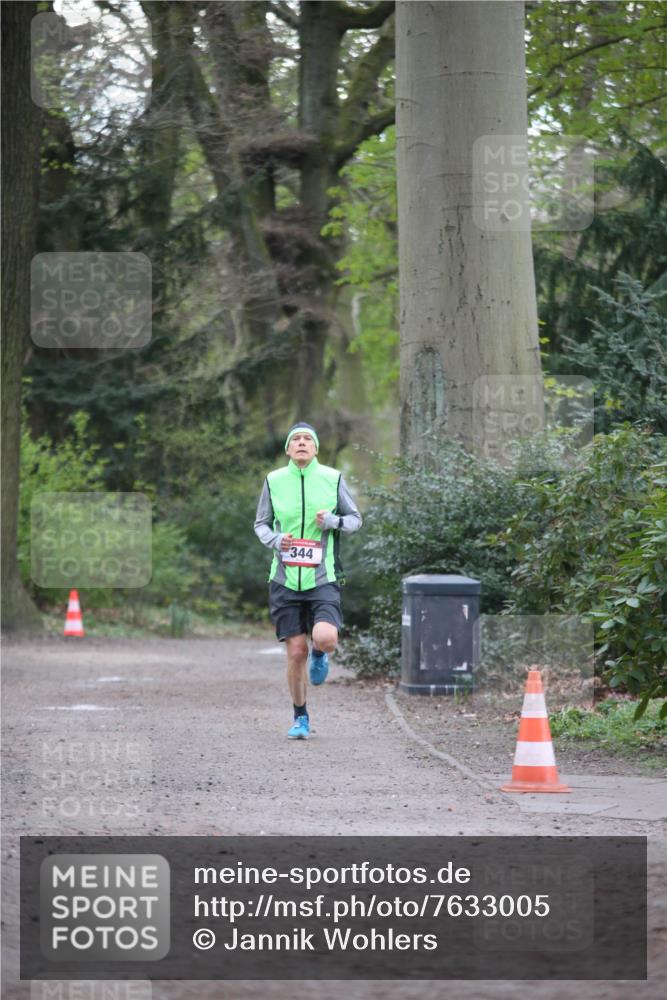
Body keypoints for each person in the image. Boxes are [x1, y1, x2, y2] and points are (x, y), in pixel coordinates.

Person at [254, 423, 362, 740]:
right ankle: (300, 716)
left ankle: (320, 654)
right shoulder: (274, 481)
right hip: (285, 579)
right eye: (295, 440)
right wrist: (275, 540)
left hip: (322, 576)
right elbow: (260, 524)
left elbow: (356, 519)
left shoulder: (332, 478)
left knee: (325, 637)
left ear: (315, 448)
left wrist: (333, 521)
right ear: (288, 449)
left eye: (307, 440)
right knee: (295, 652)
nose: (301, 443)